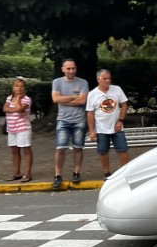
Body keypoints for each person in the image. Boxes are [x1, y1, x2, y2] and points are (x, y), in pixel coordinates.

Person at [51, 59, 88, 188]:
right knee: (60, 148)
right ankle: (57, 175)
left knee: (78, 148)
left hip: (79, 120)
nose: (71, 71)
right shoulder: (57, 82)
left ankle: (76, 172)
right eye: (68, 68)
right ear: (63, 69)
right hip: (63, 119)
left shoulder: (83, 82)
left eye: (73, 68)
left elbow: (82, 101)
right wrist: (73, 97)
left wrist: (64, 99)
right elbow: (55, 99)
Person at [86, 69, 129, 179]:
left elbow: (124, 105)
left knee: (122, 150)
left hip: (117, 126)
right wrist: (92, 130)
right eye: (105, 78)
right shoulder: (92, 94)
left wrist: (121, 120)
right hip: (101, 128)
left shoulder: (117, 89)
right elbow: (90, 113)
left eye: (109, 78)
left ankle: (126, 172)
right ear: (98, 79)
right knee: (103, 151)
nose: (108, 81)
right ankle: (107, 172)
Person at [3, 78, 33, 182]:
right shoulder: (9, 98)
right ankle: (16, 173)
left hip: (23, 128)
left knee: (26, 150)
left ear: (24, 88)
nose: (19, 88)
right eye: (16, 86)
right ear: (13, 87)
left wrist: (19, 99)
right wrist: (15, 109)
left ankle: (27, 174)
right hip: (11, 128)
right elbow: (5, 109)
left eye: (21, 86)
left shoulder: (26, 99)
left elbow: (20, 109)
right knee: (14, 151)